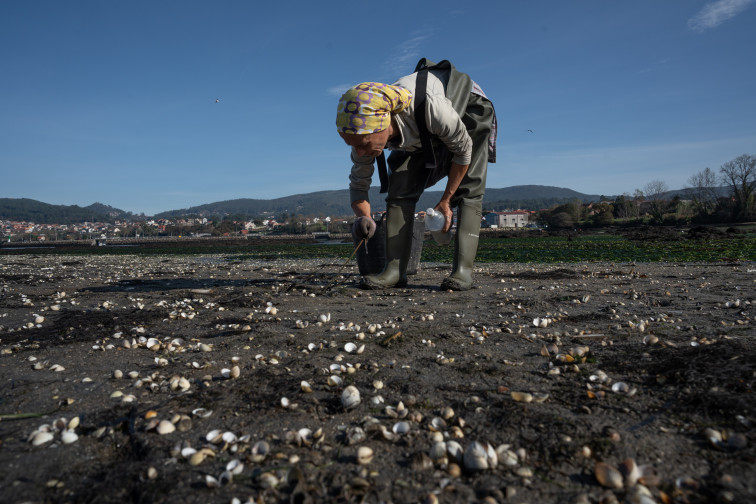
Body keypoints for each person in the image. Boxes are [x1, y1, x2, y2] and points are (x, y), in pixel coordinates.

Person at [337, 58, 496, 291]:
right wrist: (364, 218)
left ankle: (462, 272)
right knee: (399, 184)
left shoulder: (433, 109)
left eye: (364, 143)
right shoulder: (362, 134)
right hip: (418, 129)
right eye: (353, 145)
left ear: (384, 123)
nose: (360, 151)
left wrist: (446, 200)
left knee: (470, 186)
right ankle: (394, 271)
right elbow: (359, 185)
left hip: (469, 108)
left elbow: (463, 152)